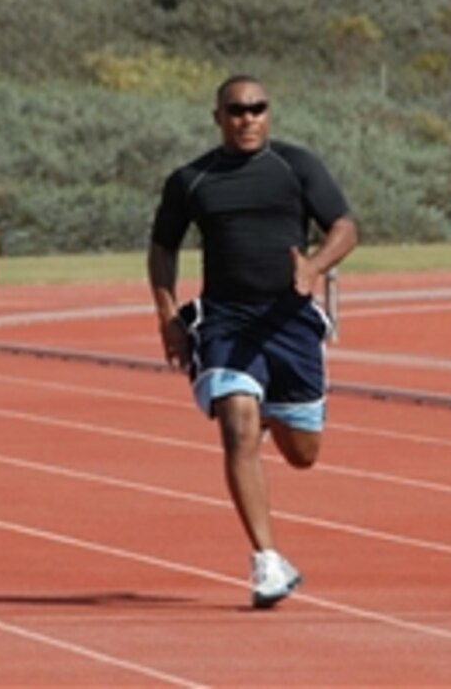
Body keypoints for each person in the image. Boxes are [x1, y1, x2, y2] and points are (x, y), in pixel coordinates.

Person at [147, 75, 358, 608]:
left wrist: (314, 266)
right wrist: (168, 314)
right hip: (225, 323)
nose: (248, 119)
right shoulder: (192, 180)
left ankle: (270, 412)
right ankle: (267, 560)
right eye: (237, 111)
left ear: (269, 113)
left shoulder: (297, 166)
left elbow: (345, 227)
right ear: (217, 116)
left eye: (257, 109)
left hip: (290, 324)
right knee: (237, 427)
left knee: (304, 453)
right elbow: (162, 247)